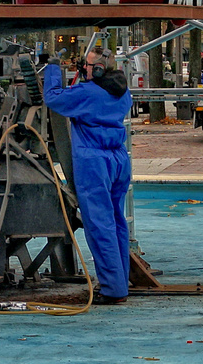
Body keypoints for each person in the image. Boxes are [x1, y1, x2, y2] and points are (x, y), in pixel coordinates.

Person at [43, 47, 133, 304]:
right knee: (116, 222)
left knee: (99, 225)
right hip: (118, 159)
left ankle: (113, 291)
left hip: (95, 162)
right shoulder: (123, 92)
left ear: (100, 69)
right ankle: (120, 282)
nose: (83, 69)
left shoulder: (88, 93)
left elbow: (53, 98)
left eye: (87, 66)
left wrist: (52, 68)